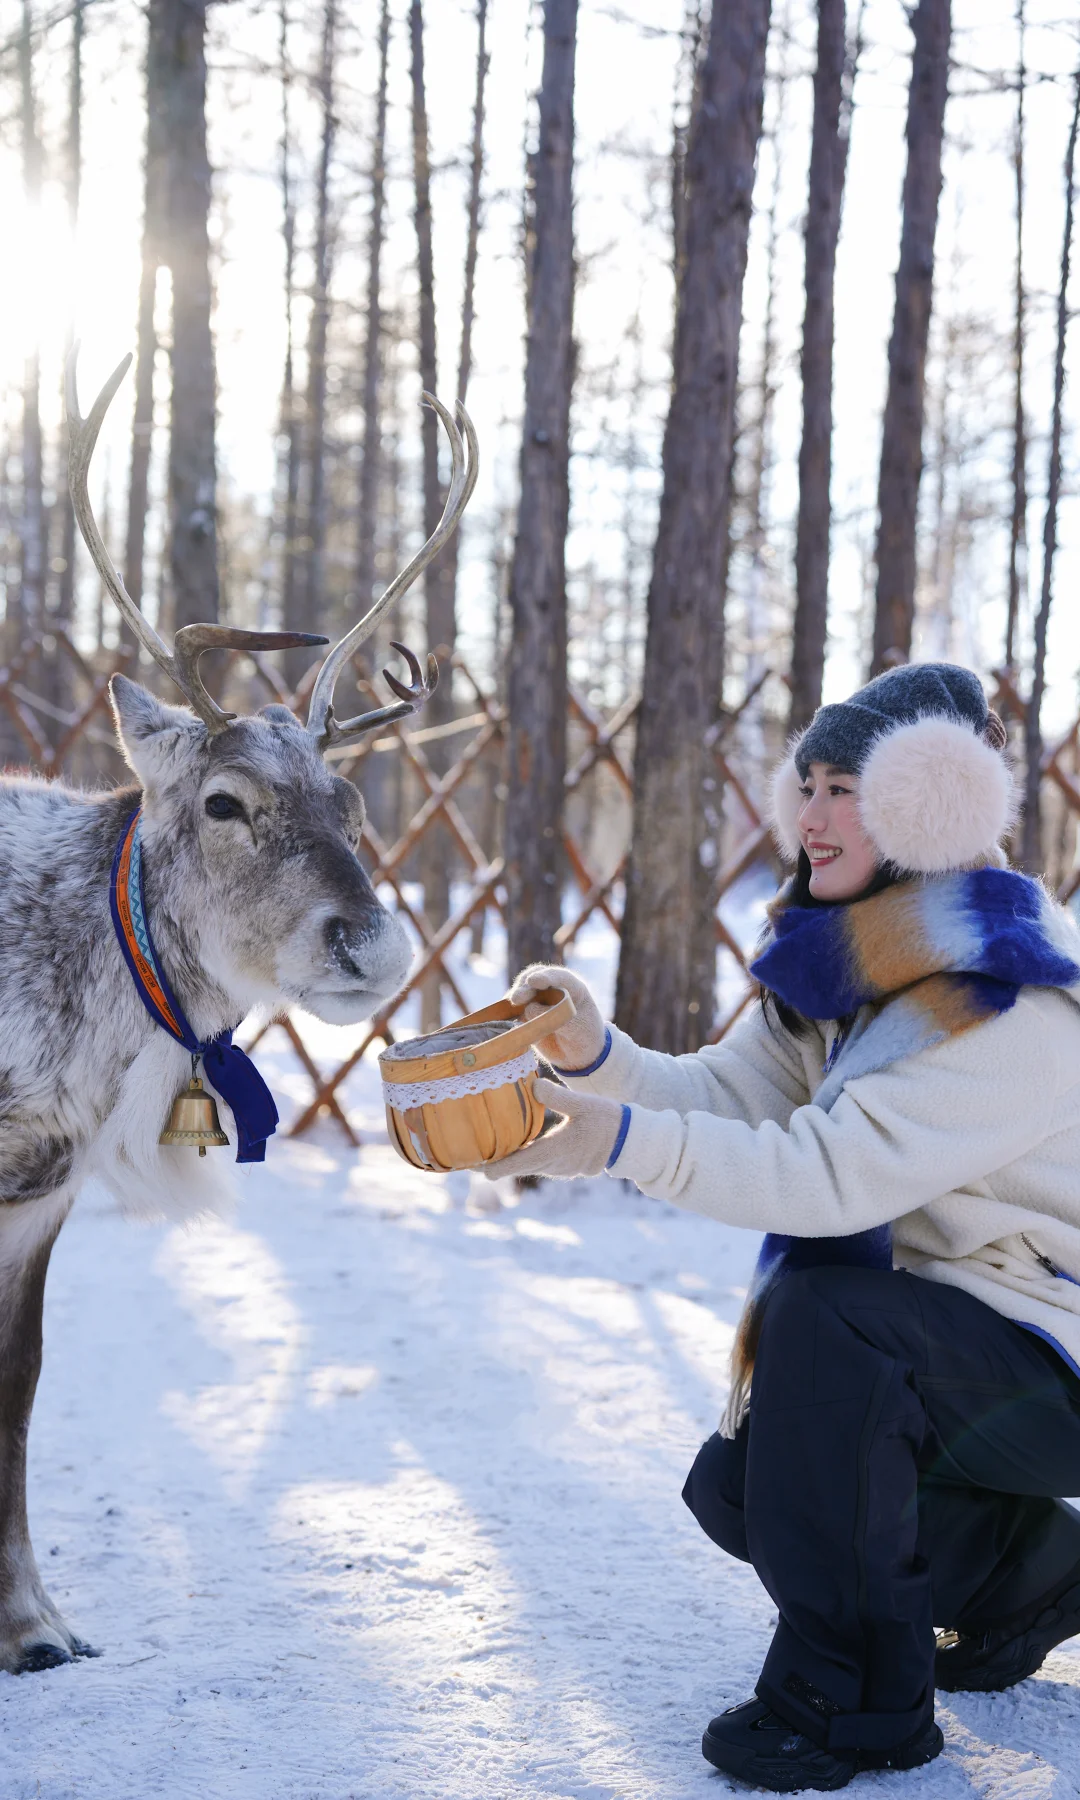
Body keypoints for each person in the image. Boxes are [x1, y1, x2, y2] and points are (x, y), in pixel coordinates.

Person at [482, 663, 1080, 1793]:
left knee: (828, 1327)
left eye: (845, 787)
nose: (809, 816)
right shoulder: (856, 965)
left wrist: (611, 1140)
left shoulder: (1007, 998)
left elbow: (824, 1179)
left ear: (928, 807)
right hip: (981, 1340)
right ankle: (1027, 1580)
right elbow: (739, 1099)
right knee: (748, 1489)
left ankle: (854, 1702)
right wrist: (599, 1062)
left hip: (1059, 1351)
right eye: (804, 783)